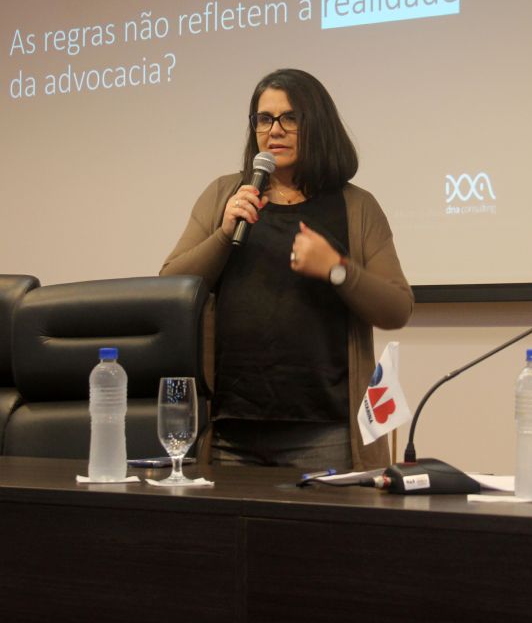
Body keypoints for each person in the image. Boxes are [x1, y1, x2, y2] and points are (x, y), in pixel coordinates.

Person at [160, 68, 413, 471]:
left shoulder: (356, 206)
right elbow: (171, 288)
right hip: (230, 431)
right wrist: (224, 234)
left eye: (289, 118)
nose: (274, 130)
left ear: (318, 125)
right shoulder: (225, 195)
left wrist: (337, 269)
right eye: (264, 119)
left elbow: (397, 308)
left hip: (325, 434)